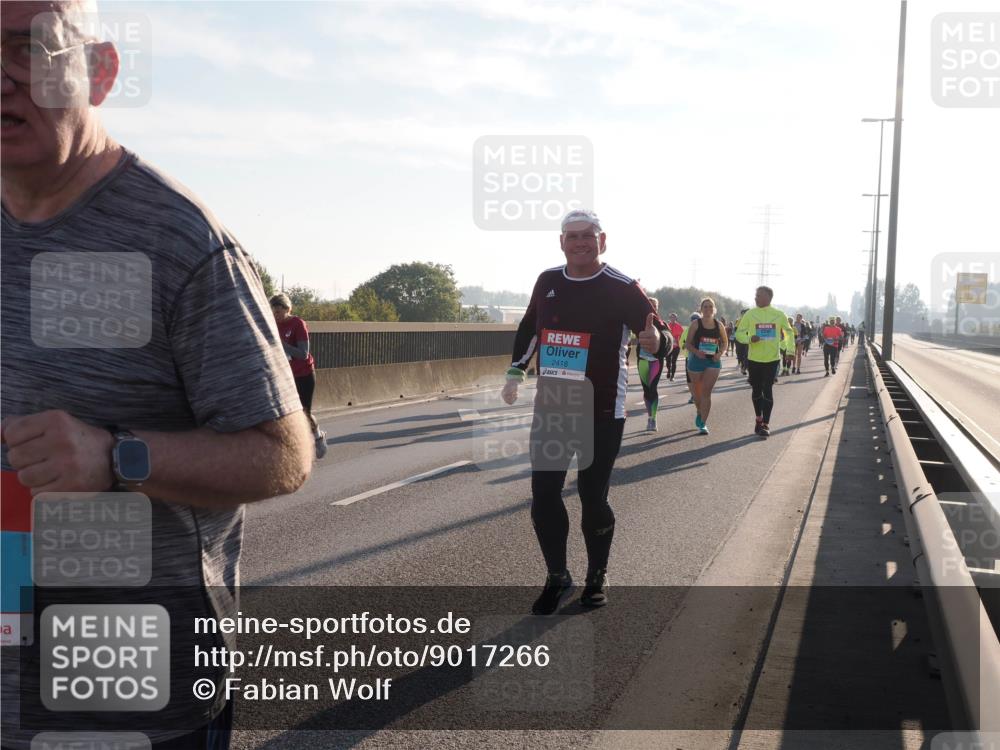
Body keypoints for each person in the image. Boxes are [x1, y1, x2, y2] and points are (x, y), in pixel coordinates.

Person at [0, 3, 314, 747]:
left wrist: (116, 456)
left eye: (31, 48)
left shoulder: (179, 241)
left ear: (100, 71)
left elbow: (285, 455)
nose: (4, 77)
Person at [502, 209, 668, 614]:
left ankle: (597, 574)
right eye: (572, 236)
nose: (580, 242)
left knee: (593, 497)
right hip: (553, 408)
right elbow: (530, 329)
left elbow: (660, 335)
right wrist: (515, 372)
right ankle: (557, 576)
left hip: (600, 410)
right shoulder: (547, 282)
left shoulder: (623, 288)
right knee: (543, 496)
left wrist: (656, 341)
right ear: (561, 242)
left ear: (602, 240)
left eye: (587, 236)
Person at [734, 287, 797, 438]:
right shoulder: (750, 314)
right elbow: (739, 333)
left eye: (758, 296)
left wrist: (789, 351)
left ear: (768, 297)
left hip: (772, 358)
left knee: (767, 389)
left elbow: (788, 332)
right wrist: (750, 338)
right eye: (755, 295)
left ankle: (766, 424)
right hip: (754, 359)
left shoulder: (778, 314)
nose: (755, 298)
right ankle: (758, 418)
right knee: (756, 390)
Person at [270, 294, 327, 459]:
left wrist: (283, 345)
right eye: (273, 312)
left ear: (288, 309)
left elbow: (303, 354)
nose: (276, 316)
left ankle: (317, 436)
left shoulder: (297, 324)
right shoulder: (272, 325)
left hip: (304, 374)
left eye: (279, 312)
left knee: (304, 413)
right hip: (285, 375)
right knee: (282, 413)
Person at [685, 298, 727, 435]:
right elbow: (688, 344)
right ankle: (699, 410)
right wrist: (697, 352)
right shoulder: (695, 324)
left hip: (713, 361)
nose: (708, 309)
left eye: (710, 307)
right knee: (697, 396)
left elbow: (725, 344)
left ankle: (703, 423)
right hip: (696, 360)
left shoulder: (719, 325)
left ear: (714, 309)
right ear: (701, 309)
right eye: (705, 307)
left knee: (706, 393)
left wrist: (719, 354)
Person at [635, 296, 666, 431]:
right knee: (646, 390)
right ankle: (650, 416)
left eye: (653, 305)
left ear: (657, 308)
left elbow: (668, 338)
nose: (651, 307)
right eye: (649, 305)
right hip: (642, 360)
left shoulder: (662, 324)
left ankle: (652, 419)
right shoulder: (639, 323)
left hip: (655, 361)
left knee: (652, 388)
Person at [678, 312, 700, 403]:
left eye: (696, 319)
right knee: (689, 378)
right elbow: (681, 343)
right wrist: (685, 345)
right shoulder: (686, 331)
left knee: (699, 377)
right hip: (690, 357)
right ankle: (693, 395)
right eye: (692, 320)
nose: (694, 321)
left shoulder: (703, 329)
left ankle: (699, 395)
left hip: (701, 357)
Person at [665, 312, 684, 381]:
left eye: (674, 317)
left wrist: (682, 343)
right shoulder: (667, 325)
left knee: (674, 361)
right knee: (668, 361)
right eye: (671, 317)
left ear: (676, 318)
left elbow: (683, 336)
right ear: (670, 318)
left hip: (676, 347)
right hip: (669, 346)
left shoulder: (679, 326)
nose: (672, 319)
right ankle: (669, 370)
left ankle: (672, 376)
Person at [734, 308, 750, 375]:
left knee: (747, 355)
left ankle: (744, 368)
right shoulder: (739, 320)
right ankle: (742, 365)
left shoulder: (752, 320)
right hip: (739, 340)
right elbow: (735, 329)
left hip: (748, 340)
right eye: (743, 313)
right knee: (740, 354)